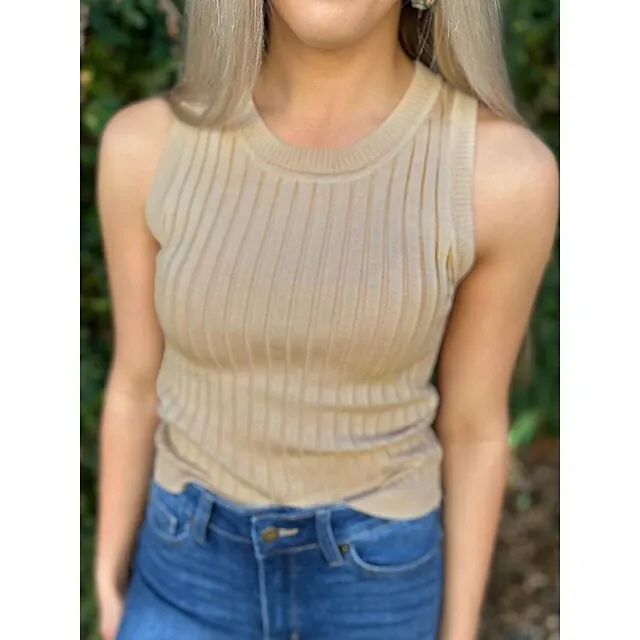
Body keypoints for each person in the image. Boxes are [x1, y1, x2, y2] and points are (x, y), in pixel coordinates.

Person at [94, 0, 558, 638]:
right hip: (182, 573)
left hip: (376, 587)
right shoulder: (145, 147)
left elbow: (475, 427)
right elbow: (134, 382)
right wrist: (107, 575)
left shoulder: (501, 176)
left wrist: (458, 630)